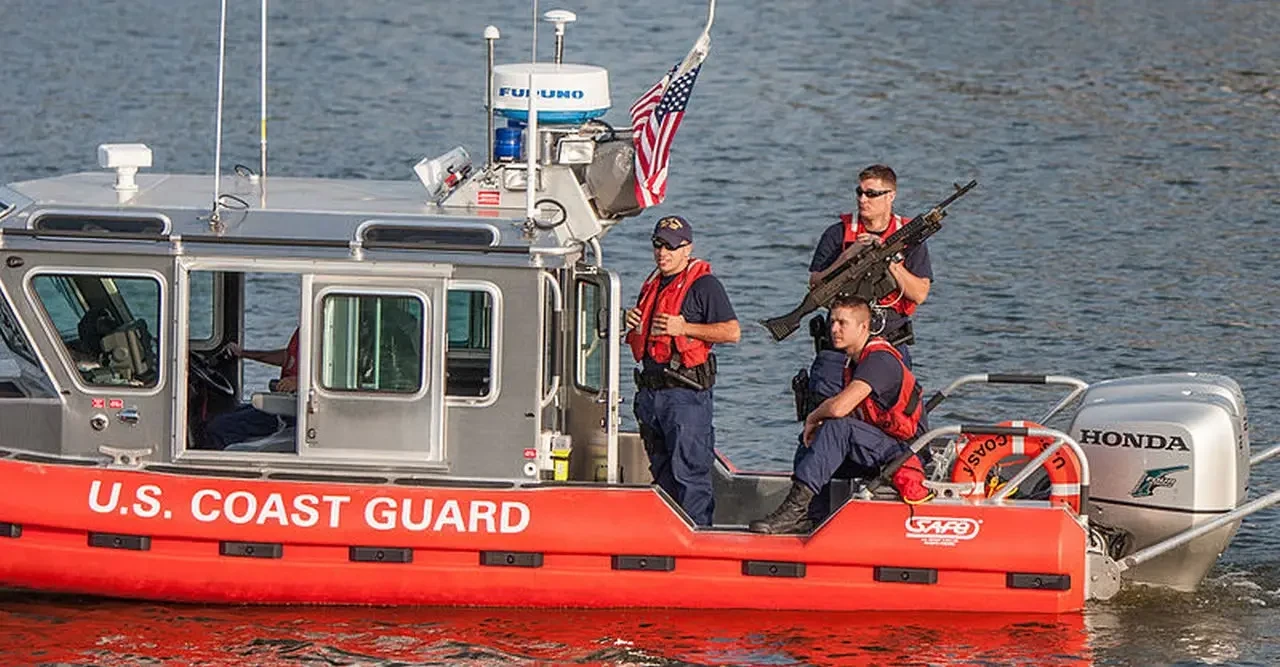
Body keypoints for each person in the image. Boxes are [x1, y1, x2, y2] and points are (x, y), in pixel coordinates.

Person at [750, 295, 934, 535]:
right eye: (833, 322)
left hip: (905, 453)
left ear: (864, 327)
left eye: (842, 323)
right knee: (813, 438)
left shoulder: (879, 360)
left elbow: (839, 408)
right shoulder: (854, 361)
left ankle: (792, 511)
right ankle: (810, 515)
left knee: (837, 427)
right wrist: (816, 425)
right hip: (879, 447)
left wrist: (813, 417)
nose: (834, 329)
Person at [625, 215, 740, 527]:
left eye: (671, 247)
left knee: (690, 476)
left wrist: (684, 327)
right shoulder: (652, 284)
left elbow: (732, 332)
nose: (663, 252)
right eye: (658, 245)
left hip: (685, 397)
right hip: (651, 395)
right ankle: (667, 537)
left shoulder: (705, 285)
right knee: (662, 476)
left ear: (687, 249)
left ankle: (697, 536)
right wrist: (630, 321)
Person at [808, 164, 932, 368]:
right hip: (841, 347)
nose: (862, 199)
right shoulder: (837, 234)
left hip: (890, 342)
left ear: (890, 196)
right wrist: (848, 255)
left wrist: (887, 258)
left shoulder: (909, 237)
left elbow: (919, 294)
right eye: (859, 192)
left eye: (871, 194)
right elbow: (815, 284)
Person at [203, 328, 299, 450]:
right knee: (227, 413)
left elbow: (323, 377)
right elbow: (287, 357)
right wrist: (243, 353)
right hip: (284, 403)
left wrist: (299, 381)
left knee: (219, 427)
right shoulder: (304, 330)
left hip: (293, 411)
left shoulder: (320, 330)